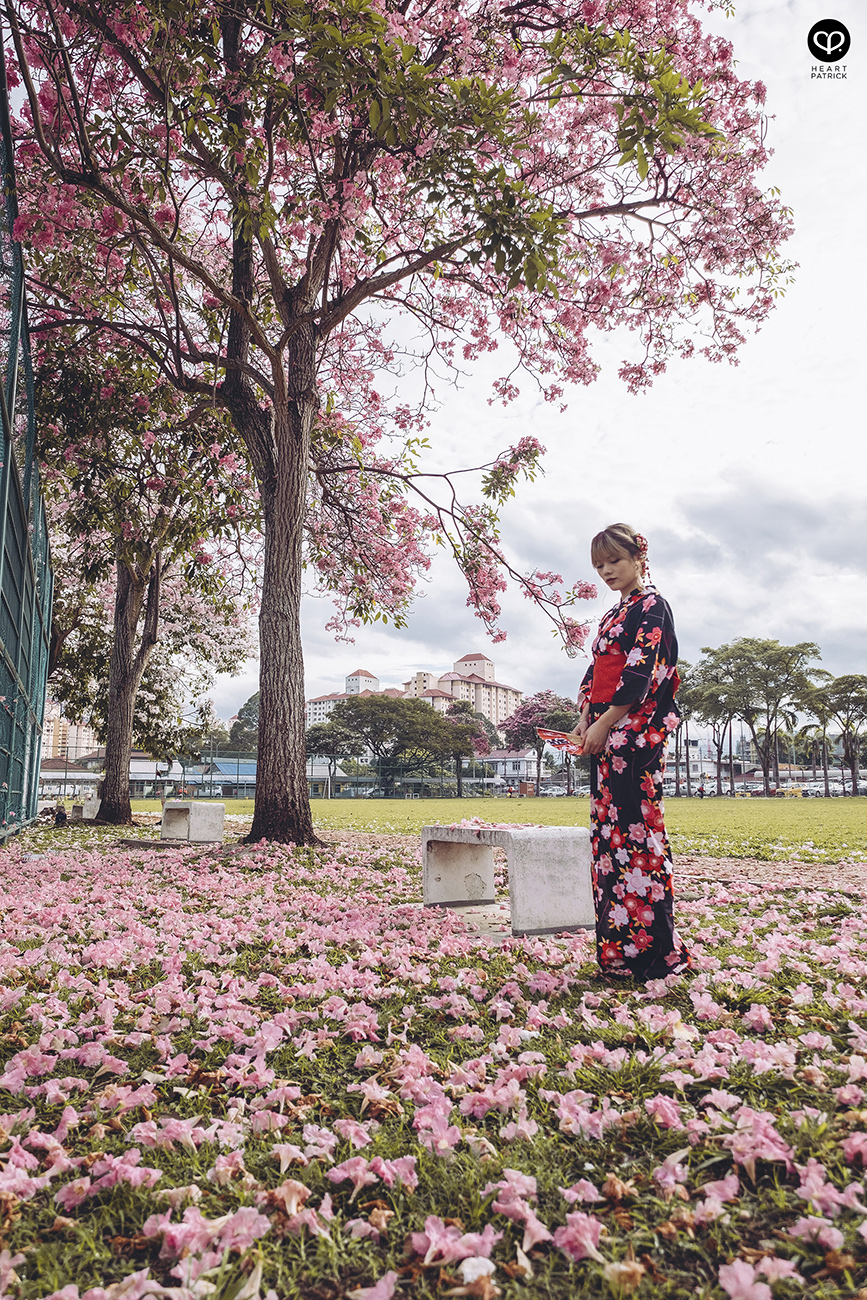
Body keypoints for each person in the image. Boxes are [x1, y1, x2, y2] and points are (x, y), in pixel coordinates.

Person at [571, 523, 690, 982]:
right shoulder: (613, 615)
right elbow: (595, 672)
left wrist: (603, 723)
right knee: (610, 842)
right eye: (598, 565)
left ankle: (656, 952)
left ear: (640, 558)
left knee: (638, 839)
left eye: (614, 562)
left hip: (633, 740)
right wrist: (585, 718)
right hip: (607, 736)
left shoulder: (653, 608)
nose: (605, 572)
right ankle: (619, 952)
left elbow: (641, 676)